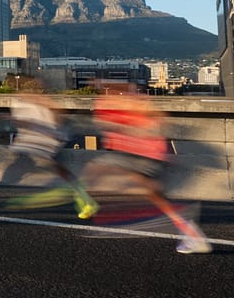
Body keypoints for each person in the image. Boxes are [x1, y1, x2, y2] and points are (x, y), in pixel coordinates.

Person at [84, 95, 211, 254]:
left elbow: (152, 121)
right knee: (153, 194)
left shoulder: (117, 104)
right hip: (146, 154)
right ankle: (188, 230)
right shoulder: (128, 103)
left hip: (140, 154)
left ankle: (92, 204)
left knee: (97, 168)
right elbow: (159, 120)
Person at [2, 94, 98, 219]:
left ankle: (83, 197)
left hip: (47, 144)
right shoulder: (29, 105)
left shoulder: (35, 104)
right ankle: (81, 196)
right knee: (59, 170)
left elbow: (35, 121)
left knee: (56, 169)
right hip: (46, 143)